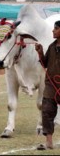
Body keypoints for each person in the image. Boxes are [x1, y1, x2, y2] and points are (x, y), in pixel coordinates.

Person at [35, 20, 60, 150]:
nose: (53, 31)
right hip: (51, 84)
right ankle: (49, 142)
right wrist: (40, 52)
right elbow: (45, 64)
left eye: (56, 28)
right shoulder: (51, 46)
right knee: (47, 111)